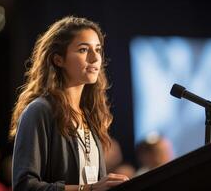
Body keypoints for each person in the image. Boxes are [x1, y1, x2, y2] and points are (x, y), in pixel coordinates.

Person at [9, 16, 129, 191]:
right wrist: (88, 189)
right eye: (83, 50)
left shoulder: (90, 115)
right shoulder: (40, 110)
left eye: (98, 49)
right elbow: (24, 186)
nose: (95, 58)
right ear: (58, 60)